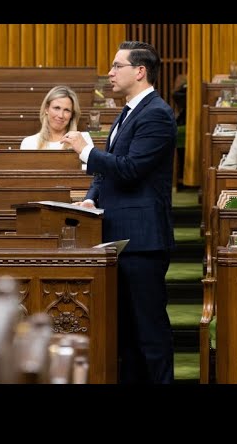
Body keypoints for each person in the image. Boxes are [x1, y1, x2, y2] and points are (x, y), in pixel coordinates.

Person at [61, 41, 177, 384]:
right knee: (126, 333)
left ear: (139, 71)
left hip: (142, 240)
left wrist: (86, 150)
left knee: (149, 332)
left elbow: (130, 169)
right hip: (116, 235)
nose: (110, 73)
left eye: (116, 66)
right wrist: (90, 199)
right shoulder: (128, 112)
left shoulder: (156, 113)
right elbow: (107, 172)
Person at [20, 85, 94, 151]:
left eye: (67, 110)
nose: (61, 115)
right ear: (46, 109)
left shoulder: (83, 139)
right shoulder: (29, 143)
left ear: (72, 114)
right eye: (56, 108)